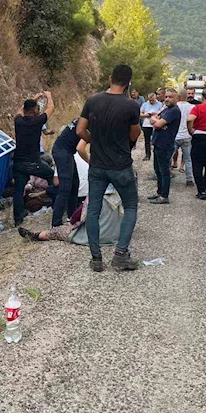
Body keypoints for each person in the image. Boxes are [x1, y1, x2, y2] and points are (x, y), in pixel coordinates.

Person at [77, 64, 141, 272]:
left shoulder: (93, 101)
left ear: (110, 77)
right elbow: (135, 134)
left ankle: (96, 258)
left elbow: (80, 130)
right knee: (130, 206)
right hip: (121, 166)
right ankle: (120, 255)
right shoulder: (131, 106)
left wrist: (94, 140)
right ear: (128, 83)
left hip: (97, 165)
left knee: (93, 210)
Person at [12, 92, 55, 226]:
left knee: (18, 191)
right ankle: (55, 203)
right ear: (35, 110)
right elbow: (51, 108)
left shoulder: (18, 121)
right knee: (51, 175)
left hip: (18, 162)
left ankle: (18, 220)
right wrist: (48, 96)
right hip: (32, 162)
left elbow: (20, 110)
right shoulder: (37, 122)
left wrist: (34, 99)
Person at [148, 89, 180, 204]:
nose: (167, 99)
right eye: (166, 96)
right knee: (157, 170)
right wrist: (156, 120)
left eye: (171, 97)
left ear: (177, 98)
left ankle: (164, 196)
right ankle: (159, 192)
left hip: (165, 145)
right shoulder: (166, 109)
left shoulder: (174, 111)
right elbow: (155, 120)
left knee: (164, 171)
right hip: (158, 144)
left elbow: (156, 124)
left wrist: (156, 121)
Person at [51, 119, 83, 228]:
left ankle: (71, 217)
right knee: (65, 188)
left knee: (74, 185)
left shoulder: (83, 118)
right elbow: (81, 147)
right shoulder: (87, 122)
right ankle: (56, 223)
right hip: (62, 152)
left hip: (67, 152)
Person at [174, 88, 195, 187]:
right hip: (187, 136)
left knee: (169, 157)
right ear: (186, 96)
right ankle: (189, 179)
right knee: (188, 159)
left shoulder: (174, 106)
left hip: (175, 136)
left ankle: (167, 174)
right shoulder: (192, 107)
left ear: (178, 97)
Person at [139, 92, 163, 161]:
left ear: (155, 98)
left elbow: (163, 114)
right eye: (150, 100)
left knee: (157, 140)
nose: (151, 101)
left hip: (156, 124)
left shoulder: (160, 104)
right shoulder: (145, 104)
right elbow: (140, 113)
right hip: (146, 124)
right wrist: (146, 115)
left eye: (153, 100)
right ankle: (147, 154)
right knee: (147, 141)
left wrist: (156, 115)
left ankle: (157, 154)